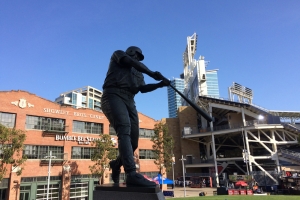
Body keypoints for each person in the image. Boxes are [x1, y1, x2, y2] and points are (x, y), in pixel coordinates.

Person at [101, 46, 170, 187]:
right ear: (131, 52)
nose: (137, 58)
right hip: (113, 94)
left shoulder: (138, 73)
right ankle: (131, 173)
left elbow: (142, 89)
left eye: (139, 57)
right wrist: (152, 73)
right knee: (124, 129)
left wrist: (160, 84)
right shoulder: (119, 54)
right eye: (137, 55)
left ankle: (116, 164)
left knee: (134, 142)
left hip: (130, 100)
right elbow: (131, 62)